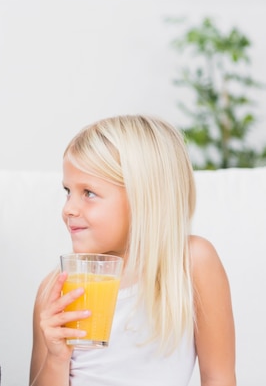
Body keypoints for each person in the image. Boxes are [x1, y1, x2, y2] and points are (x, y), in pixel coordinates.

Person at [29, 115, 236, 386]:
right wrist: (56, 358)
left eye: (88, 193)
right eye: (68, 191)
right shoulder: (56, 289)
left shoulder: (190, 263)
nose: (68, 208)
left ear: (144, 197)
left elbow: (219, 378)